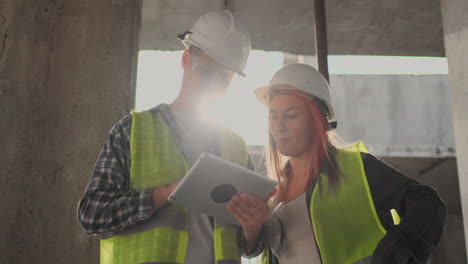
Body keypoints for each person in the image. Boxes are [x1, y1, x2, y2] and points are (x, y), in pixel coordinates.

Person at [77, 10, 253, 264]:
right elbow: (91, 214)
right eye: (206, 70)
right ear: (185, 58)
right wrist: (162, 194)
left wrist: (254, 226)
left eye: (224, 78)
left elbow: (248, 246)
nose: (214, 83)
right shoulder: (132, 131)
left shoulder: (235, 147)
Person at [227, 63, 447, 264]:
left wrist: (389, 257)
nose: (279, 127)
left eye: (291, 115)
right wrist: (252, 230)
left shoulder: (354, 169)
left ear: (318, 120)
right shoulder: (274, 191)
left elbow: (428, 205)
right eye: (273, 116)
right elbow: (259, 251)